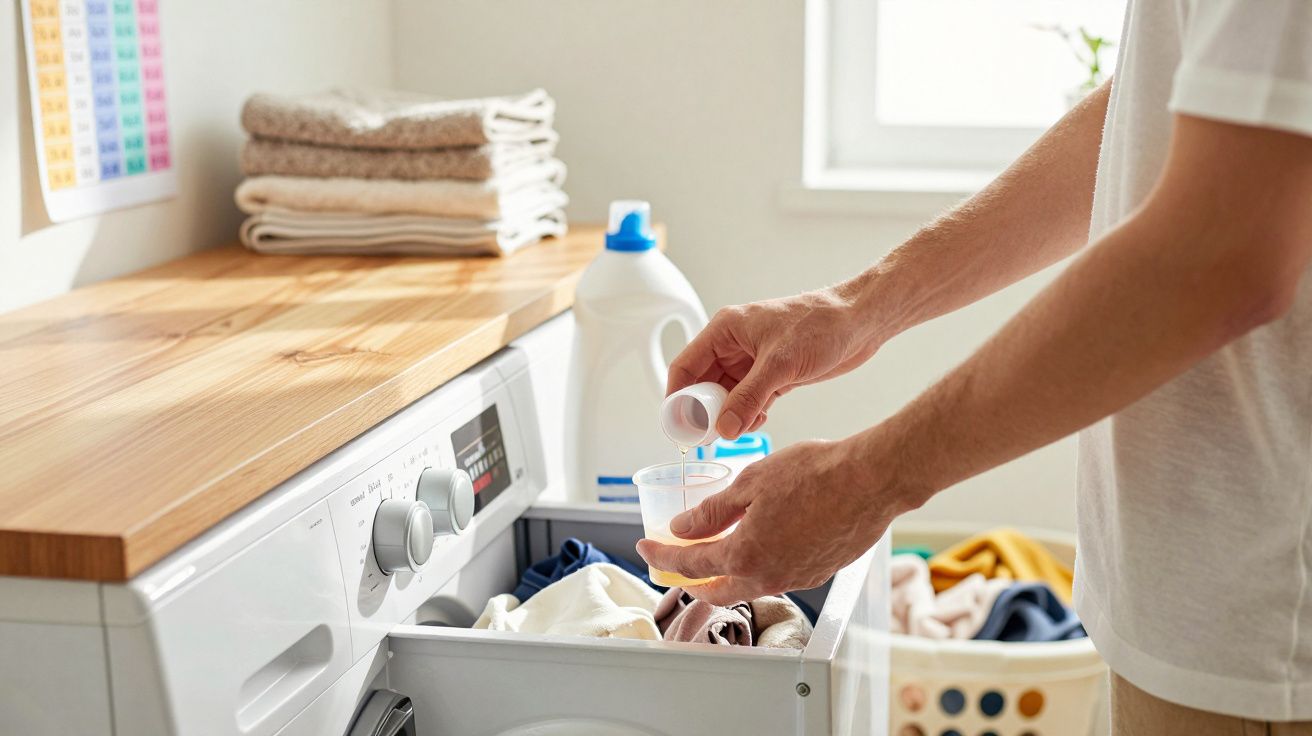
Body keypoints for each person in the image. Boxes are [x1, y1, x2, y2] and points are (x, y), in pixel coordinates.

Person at [635, 3, 1312, 733]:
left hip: (1260, 630)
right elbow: (1158, 107)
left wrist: (868, 481)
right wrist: (857, 307)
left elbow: (1216, 253)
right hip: (1201, 601)